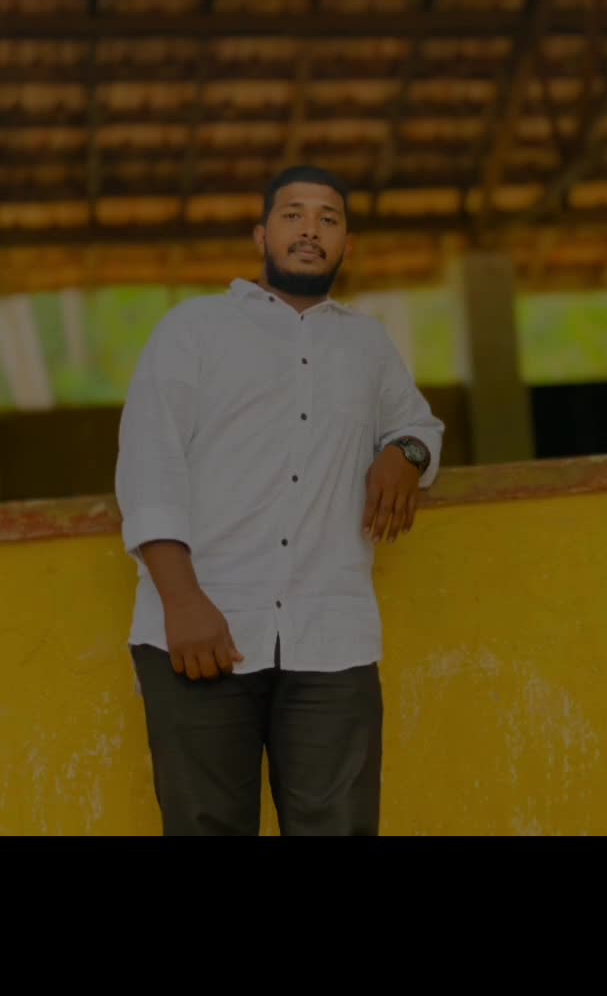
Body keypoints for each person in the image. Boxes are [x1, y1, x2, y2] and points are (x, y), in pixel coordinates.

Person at [116, 165, 444, 837]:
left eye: (328, 218)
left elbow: (419, 427)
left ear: (347, 244)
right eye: (293, 214)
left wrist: (404, 454)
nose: (310, 230)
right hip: (203, 630)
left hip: (331, 638)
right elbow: (149, 463)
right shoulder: (194, 329)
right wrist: (182, 600)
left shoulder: (368, 345)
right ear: (261, 235)